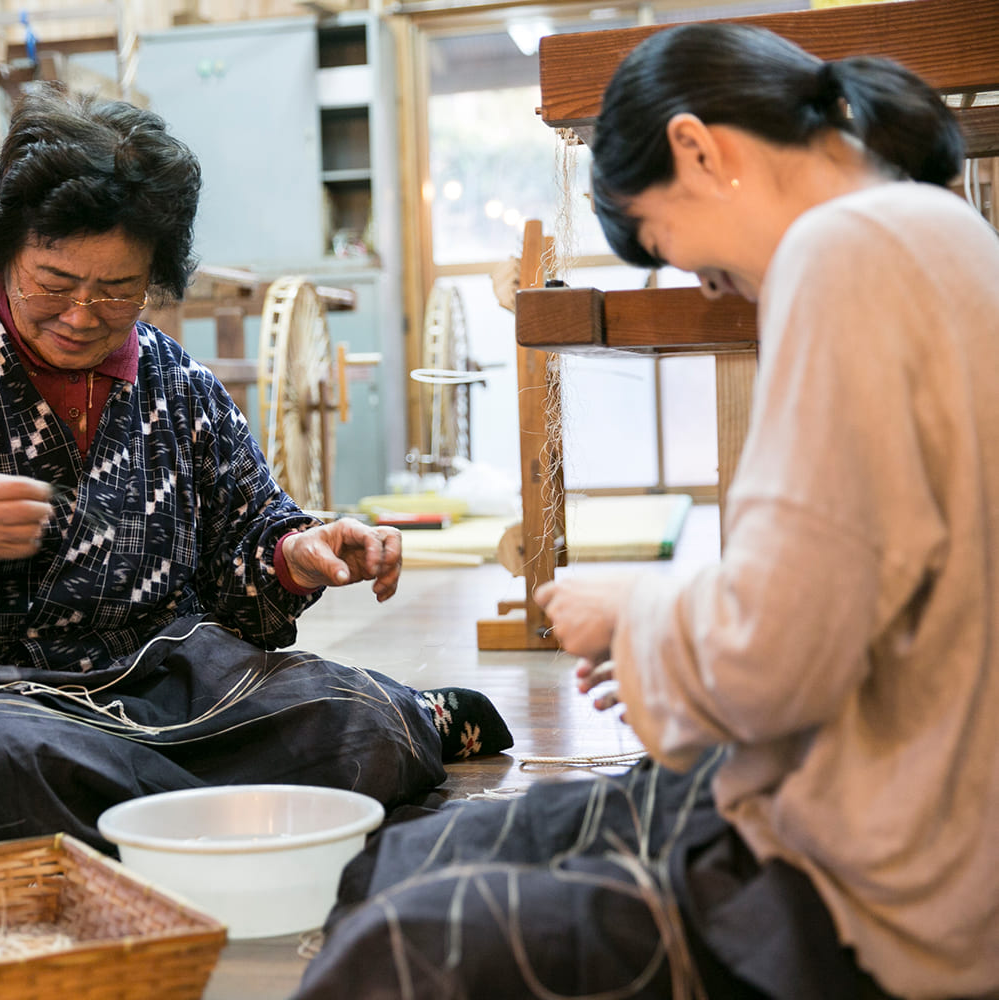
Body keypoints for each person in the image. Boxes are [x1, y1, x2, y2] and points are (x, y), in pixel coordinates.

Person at [295, 21, 999, 1000]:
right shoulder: (936, 227)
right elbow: (852, 585)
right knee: (399, 864)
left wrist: (636, 614)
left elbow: (780, 653)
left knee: (395, 943)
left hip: (873, 885)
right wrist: (674, 636)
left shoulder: (848, 255)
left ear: (696, 149)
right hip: (911, 816)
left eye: (660, 237)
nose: (697, 281)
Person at [0, 86, 511, 867]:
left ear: (155, 274)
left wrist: (297, 555)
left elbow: (251, 541)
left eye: (118, 289)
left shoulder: (178, 384)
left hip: (171, 688)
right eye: (53, 283)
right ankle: (209, 819)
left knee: (354, 716)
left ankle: (175, 814)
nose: (83, 314)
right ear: (4, 251)